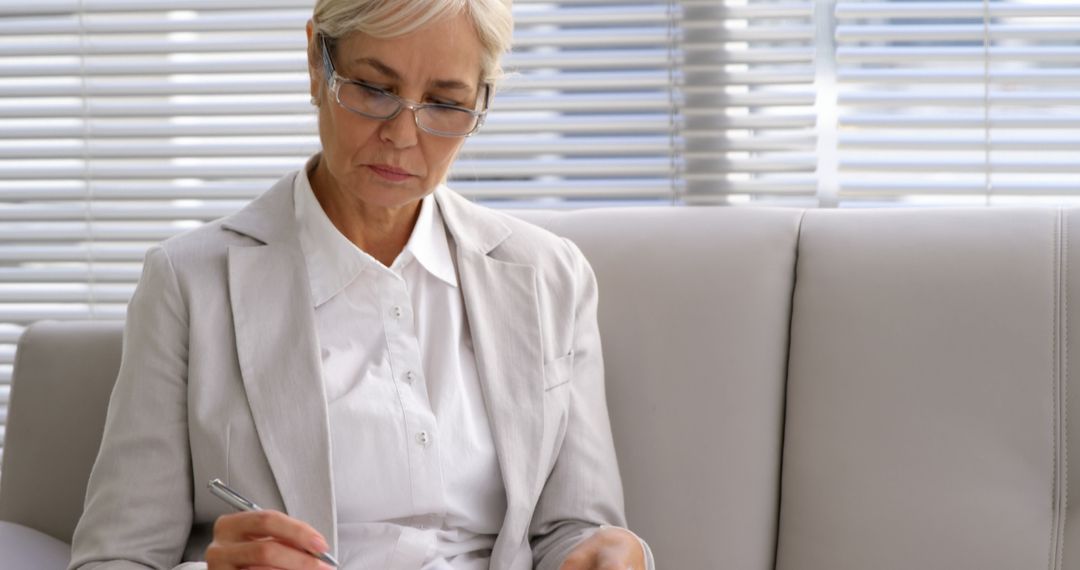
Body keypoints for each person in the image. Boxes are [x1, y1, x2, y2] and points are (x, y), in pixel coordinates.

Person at [68, 1, 654, 569]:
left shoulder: (550, 276)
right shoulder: (189, 283)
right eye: (374, 90)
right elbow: (115, 556)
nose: (402, 135)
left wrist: (611, 551)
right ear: (315, 65)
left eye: (446, 102)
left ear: (483, 103)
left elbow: (576, 528)